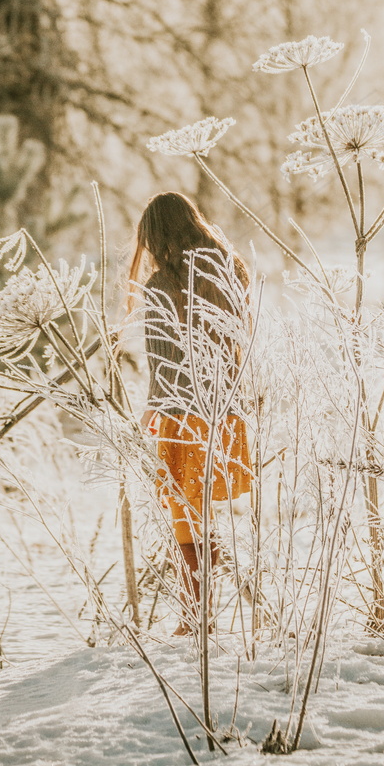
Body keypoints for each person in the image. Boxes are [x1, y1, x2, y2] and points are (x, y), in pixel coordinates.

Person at [128, 191, 252, 634]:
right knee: (203, 514)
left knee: (184, 515)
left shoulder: (162, 285)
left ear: (158, 236)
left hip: (184, 415)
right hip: (228, 412)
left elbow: (163, 362)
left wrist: (149, 414)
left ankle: (193, 619)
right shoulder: (230, 270)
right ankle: (220, 607)